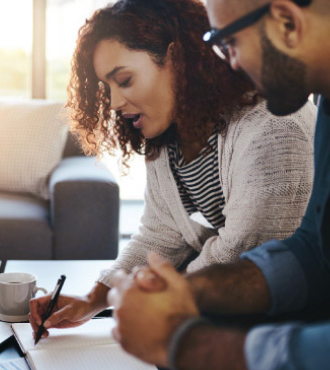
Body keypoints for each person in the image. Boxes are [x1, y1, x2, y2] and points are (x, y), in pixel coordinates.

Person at [30, 0, 316, 340]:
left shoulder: (273, 129)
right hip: (219, 320)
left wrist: (146, 298)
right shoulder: (168, 136)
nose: (114, 103)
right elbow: (159, 236)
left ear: (178, 59)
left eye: (124, 80)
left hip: (279, 336)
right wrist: (93, 299)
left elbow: (242, 256)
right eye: (107, 87)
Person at [107, 0, 330, 369]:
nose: (231, 63)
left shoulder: (276, 128)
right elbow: (314, 254)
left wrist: (183, 343)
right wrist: (188, 291)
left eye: (229, 42)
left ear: (286, 21)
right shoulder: (324, 102)